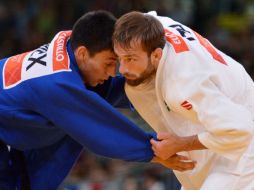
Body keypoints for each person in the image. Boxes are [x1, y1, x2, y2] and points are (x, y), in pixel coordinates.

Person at [0, 10, 195, 190]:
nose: (112, 72)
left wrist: (160, 83)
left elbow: (111, 90)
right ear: (83, 54)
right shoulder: (57, 83)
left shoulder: (75, 46)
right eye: (109, 63)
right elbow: (98, 128)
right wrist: (153, 150)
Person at [113, 11, 254, 190]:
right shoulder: (151, 26)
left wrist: (180, 144)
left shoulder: (182, 84)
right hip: (221, 110)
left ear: (156, 55)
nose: (122, 69)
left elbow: (242, 130)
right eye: (119, 58)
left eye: (130, 59)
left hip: (245, 141)